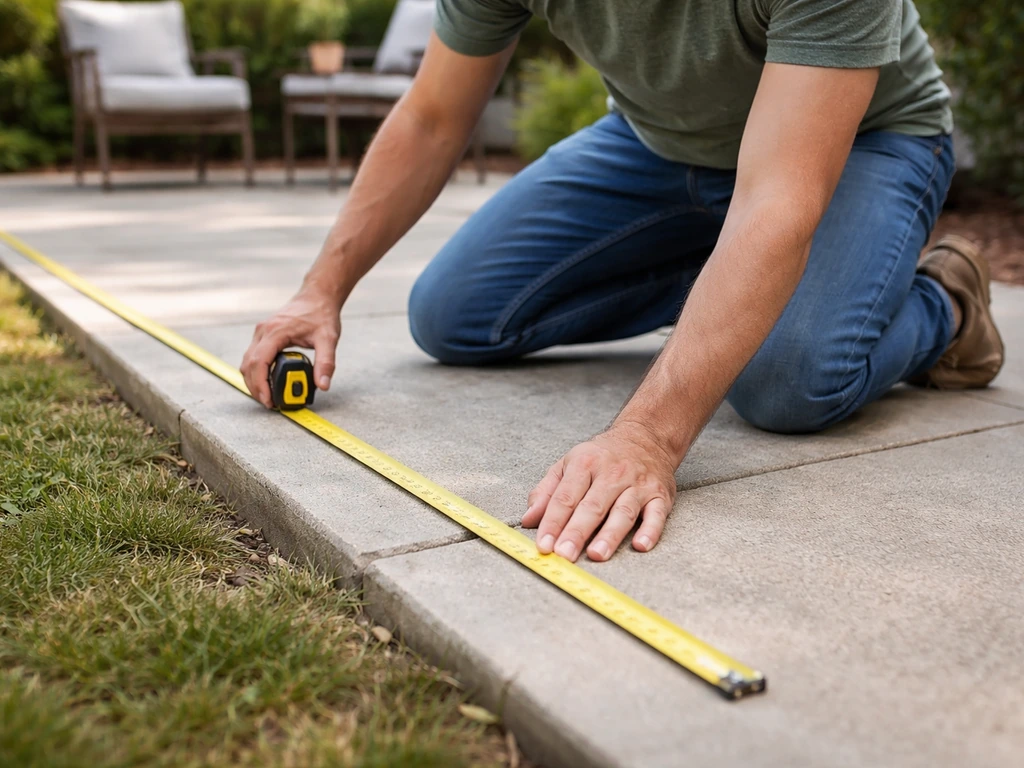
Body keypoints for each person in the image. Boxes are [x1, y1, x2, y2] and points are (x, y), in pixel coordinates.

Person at [242, 0, 1004, 565]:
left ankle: (944, 300)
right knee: (454, 315)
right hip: (658, 144)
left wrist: (647, 435)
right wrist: (322, 288)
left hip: (863, 142)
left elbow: (780, 197)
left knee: (786, 383)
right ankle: (739, 285)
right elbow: (433, 118)